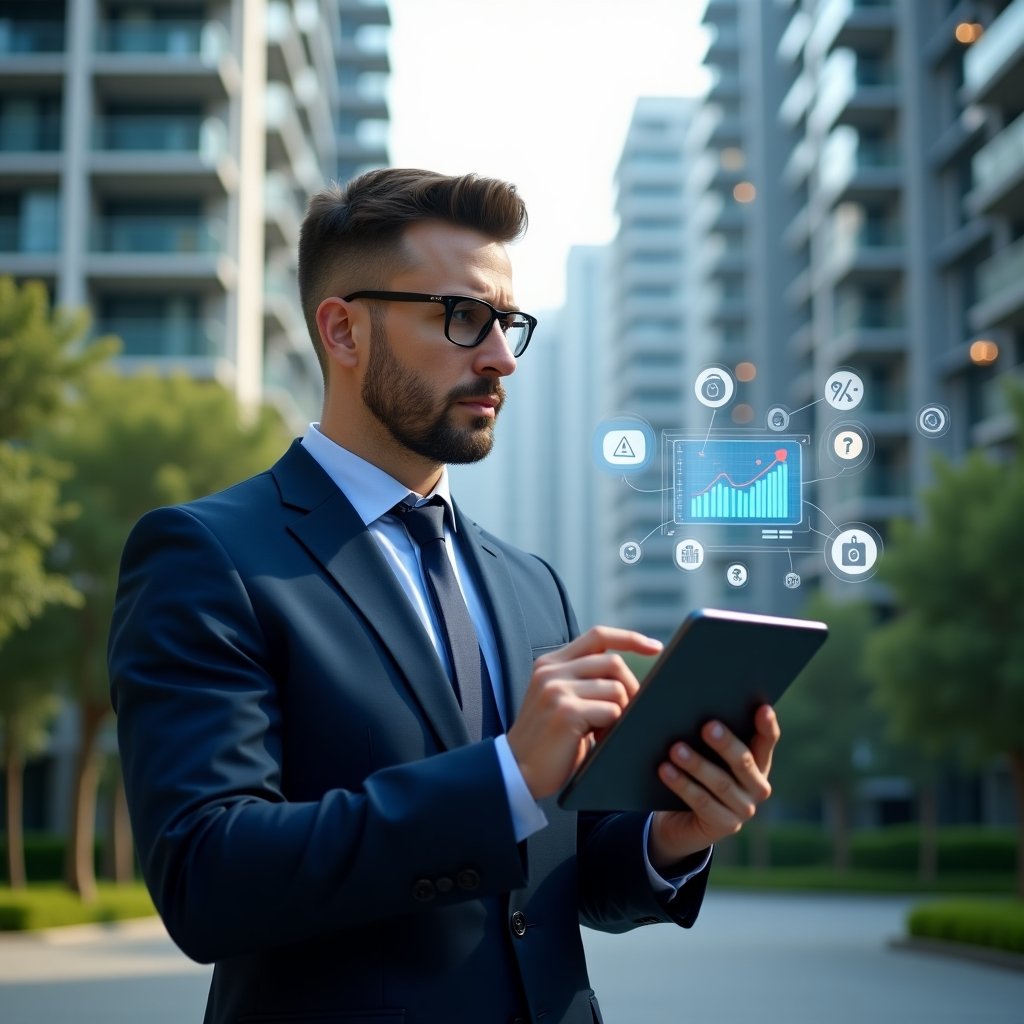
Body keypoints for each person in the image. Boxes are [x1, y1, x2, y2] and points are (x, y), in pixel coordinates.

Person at [109, 168, 780, 1024]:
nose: (500, 356)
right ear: (344, 330)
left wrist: (669, 839)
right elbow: (207, 875)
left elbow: (550, 889)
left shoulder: (530, 583)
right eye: (463, 317)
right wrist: (502, 773)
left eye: (508, 324)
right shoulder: (207, 555)